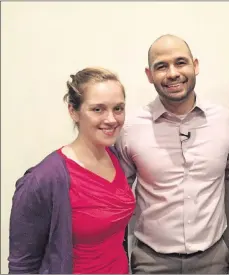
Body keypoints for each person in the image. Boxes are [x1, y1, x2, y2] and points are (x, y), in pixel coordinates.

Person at [116, 34, 229, 274]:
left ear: (195, 65)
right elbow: (118, 195)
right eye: (161, 66)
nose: (172, 73)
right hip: (151, 262)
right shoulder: (130, 128)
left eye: (180, 62)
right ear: (149, 75)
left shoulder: (224, 121)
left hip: (213, 260)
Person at [8, 67, 135, 274]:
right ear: (73, 111)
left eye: (118, 108)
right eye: (98, 109)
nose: (112, 119)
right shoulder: (43, 180)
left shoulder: (115, 157)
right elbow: (22, 265)